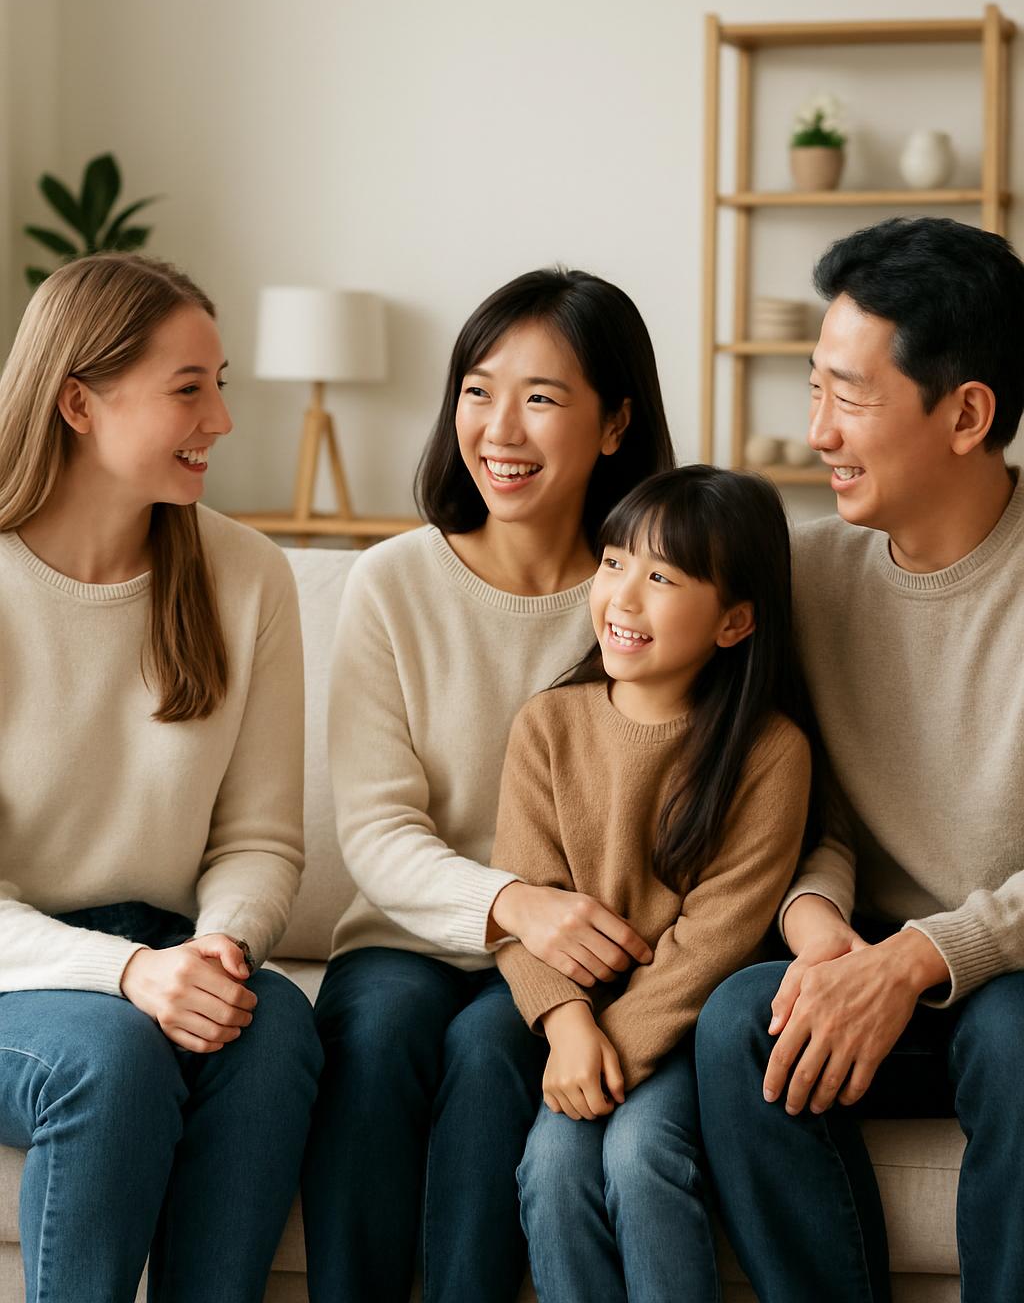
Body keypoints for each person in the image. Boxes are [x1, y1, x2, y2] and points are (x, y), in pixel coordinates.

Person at [302, 268, 675, 1303]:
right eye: (477, 389)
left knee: (485, 1051)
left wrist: (563, 930)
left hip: (585, 952)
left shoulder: (647, 594)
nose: (499, 428)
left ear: (615, 425)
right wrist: (514, 905)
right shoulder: (391, 583)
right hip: (409, 935)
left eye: (542, 397)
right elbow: (376, 828)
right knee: (373, 1039)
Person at [696, 216, 1024, 1303]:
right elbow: (799, 811)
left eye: (850, 396)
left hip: (1007, 973)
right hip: (870, 956)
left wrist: (921, 958)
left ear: (966, 413)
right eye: (810, 389)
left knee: (1019, 1036)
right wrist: (818, 928)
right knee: (746, 1016)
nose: (816, 433)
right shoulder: (806, 577)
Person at [0, 254, 322, 1303]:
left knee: (273, 1026)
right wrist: (129, 976)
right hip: (21, 971)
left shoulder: (247, 576)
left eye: (219, 383)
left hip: (164, 941)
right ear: (78, 401)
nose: (222, 419)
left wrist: (218, 949)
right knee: (112, 1053)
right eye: (191, 388)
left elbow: (260, 838)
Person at [492, 465, 813, 1303]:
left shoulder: (770, 753)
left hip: (680, 1032)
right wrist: (567, 1031)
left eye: (663, 577)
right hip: (574, 1030)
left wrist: (613, 1050)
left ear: (735, 622)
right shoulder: (548, 725)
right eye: (612, 563)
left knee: (642, 1156)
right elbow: (521, 903)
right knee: (552, 1167)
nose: (623, 596)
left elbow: (717, 938)